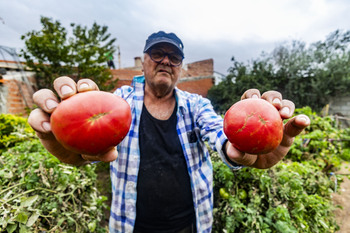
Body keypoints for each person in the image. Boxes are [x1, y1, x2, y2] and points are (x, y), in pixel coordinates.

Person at [28, 31, 310, 233]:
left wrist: (245, 150)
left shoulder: (197, 105)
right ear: (143, 61)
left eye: (174, 57)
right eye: (157, 54)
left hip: (190, 223)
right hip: (130, 224)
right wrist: (73, 147)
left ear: (181, 68)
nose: (165, 61)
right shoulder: (117, 102)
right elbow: (89, 146)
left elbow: (219, 132)